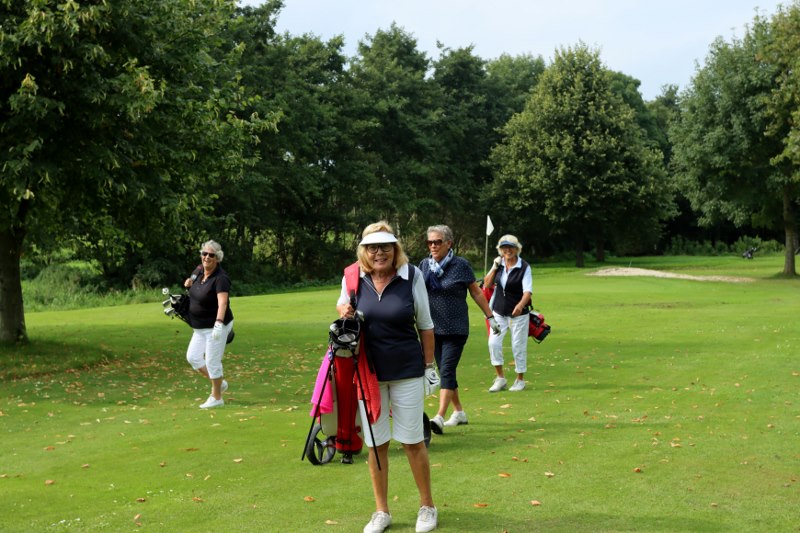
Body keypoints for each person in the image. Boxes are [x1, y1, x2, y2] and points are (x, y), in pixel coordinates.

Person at [337, 221, 439, 533]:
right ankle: (381, 511)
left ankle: (427, 506)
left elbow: (426, 326)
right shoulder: (353, 277)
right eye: (372, 247)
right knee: (376, 444)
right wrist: (344, 310)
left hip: (407, 371)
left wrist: (429, 367)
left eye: (385, 246)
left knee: (412, 441)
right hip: (368, 373)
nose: (378, 252)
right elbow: (343, 304)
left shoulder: (412, 276)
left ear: (395, 249)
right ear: (363, 251)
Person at [418, 225, 499, 434]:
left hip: (455, 328)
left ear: (448, 243)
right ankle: (459, 412)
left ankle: (439, 417)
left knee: (446, 370)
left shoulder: (460, 265)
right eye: (430, 242)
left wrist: (490, 316)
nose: (433, 246)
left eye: (437, 242)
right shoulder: (424, 265)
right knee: (446, 371)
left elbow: (476, 292)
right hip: (431, 330)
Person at [184, 240, 234, 409]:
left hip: (215, 326)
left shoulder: (221, 278)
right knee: (193, 357)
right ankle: (219, 383)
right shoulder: (199, 271)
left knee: (212, 362)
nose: (206, 257)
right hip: (199, 328)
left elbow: (223, 303)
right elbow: (193, 285)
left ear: (217, 258)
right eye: (204, 253)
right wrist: (188, 283)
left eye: (211, 255)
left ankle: (217, 397)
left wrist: (219, 323)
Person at [483, 234, 532, 392]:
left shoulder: (524, 267)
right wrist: (495, 266)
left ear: (517, 249)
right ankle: (500, 378)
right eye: (504, 247)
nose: (507, 250)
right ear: (500, 250)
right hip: (498, 311)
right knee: (493, 343)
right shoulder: (499, 264)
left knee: (518, 346)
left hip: (519, 314)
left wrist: (520, 305)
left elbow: (527, 291)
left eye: (511, 247)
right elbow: (487, 284)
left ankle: (520, 380)